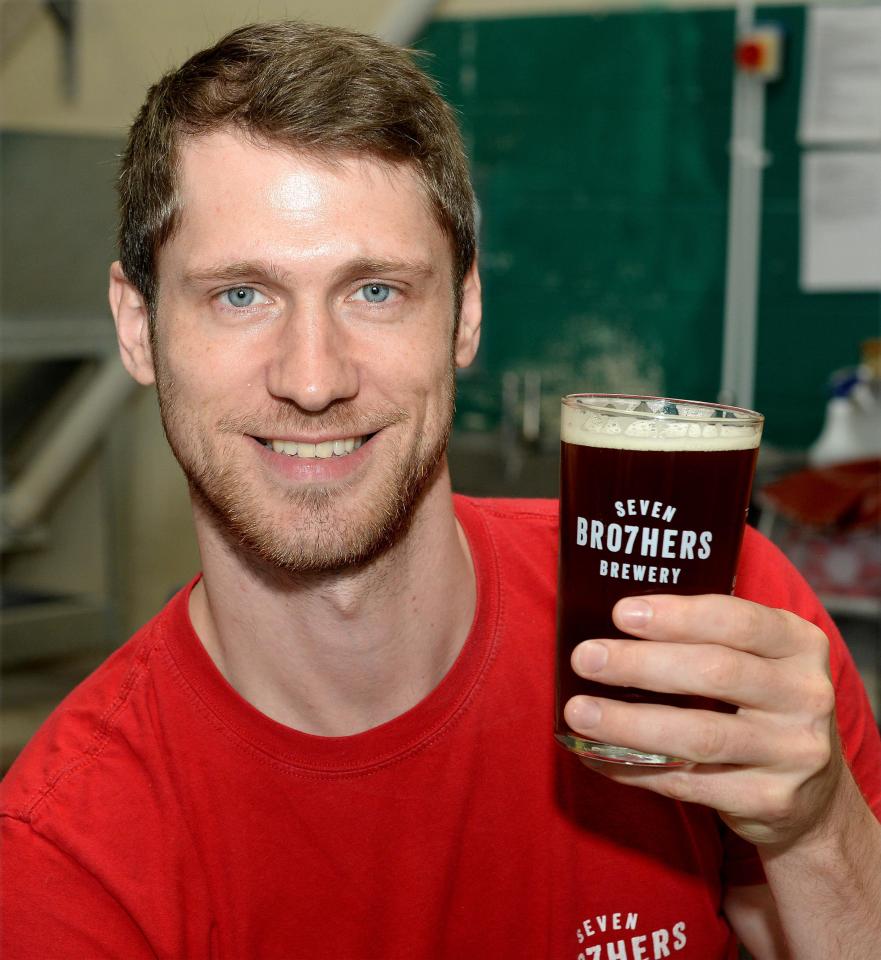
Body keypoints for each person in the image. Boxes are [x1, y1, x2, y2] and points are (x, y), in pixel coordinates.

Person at [2, 20, 879, 960]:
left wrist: (815, 828)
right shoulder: (67, 853)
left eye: (374, 291)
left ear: (464, 313)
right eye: (240, 295)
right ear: (137, 329)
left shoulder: (703, 621)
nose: (312, 378)